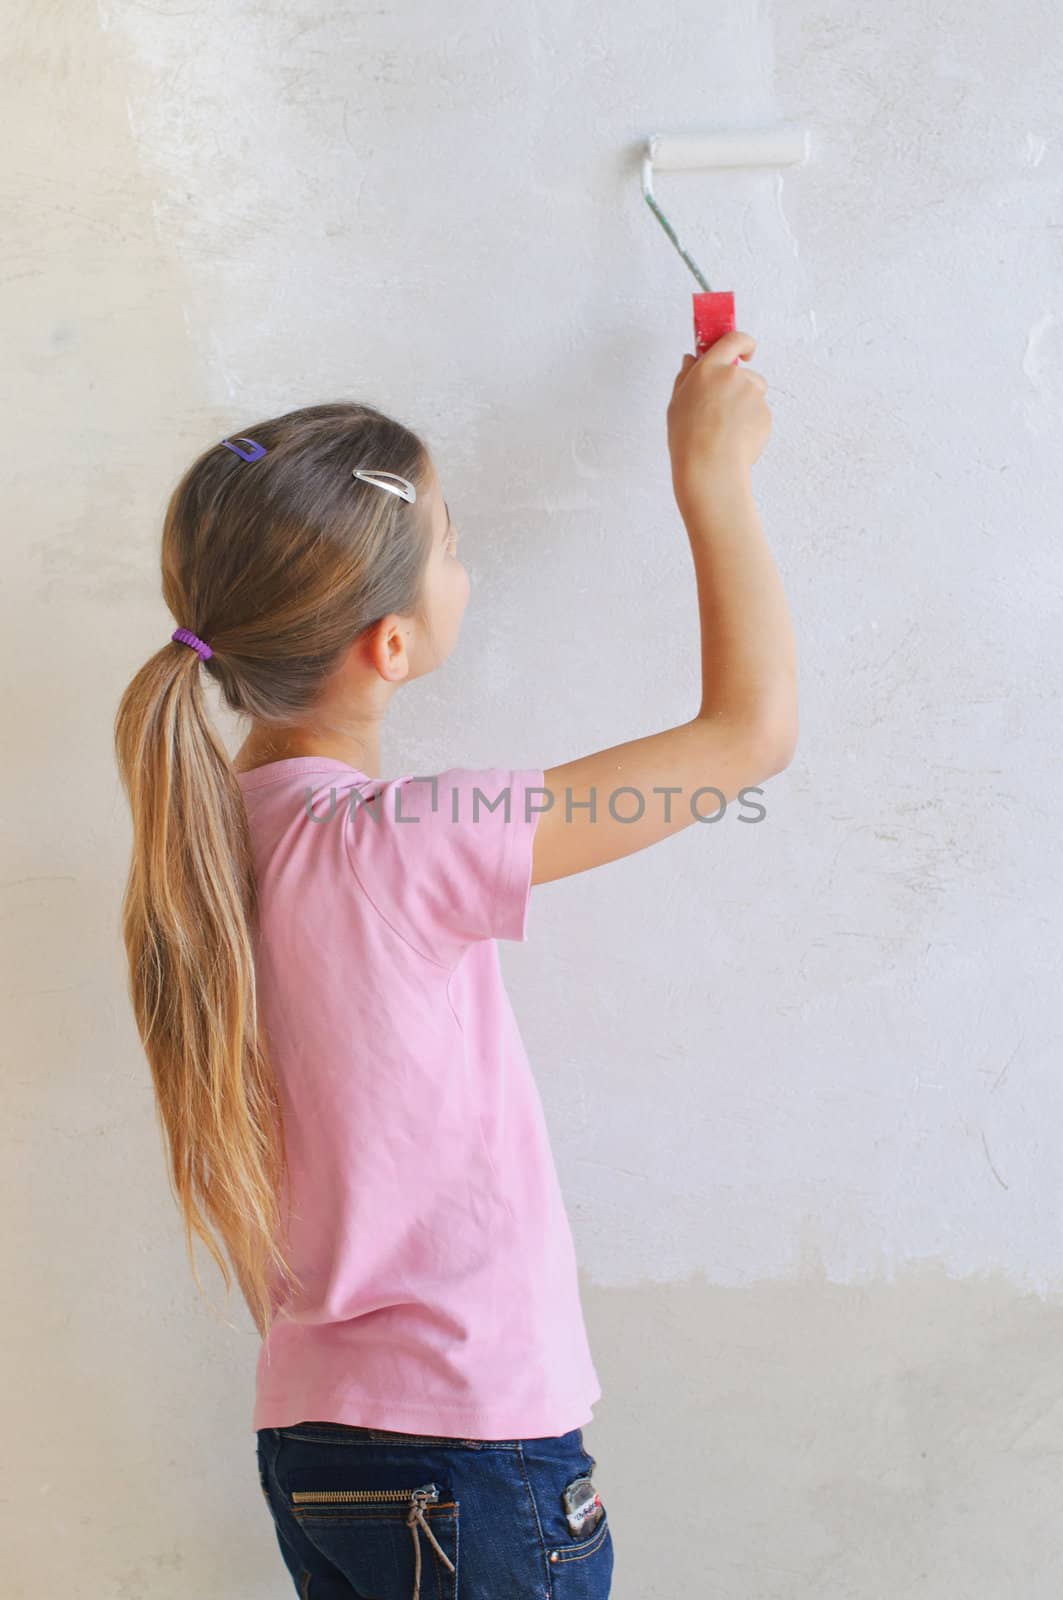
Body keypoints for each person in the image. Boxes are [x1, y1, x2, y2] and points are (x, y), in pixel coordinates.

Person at [112, 328, 797, 1599]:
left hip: (315, 1450)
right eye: (453, 547)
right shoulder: (401, 846)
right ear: (389, 644)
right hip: (467, 1461)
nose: (465, 570)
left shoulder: (208, 854)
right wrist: (714, 478)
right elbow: (745, 741)